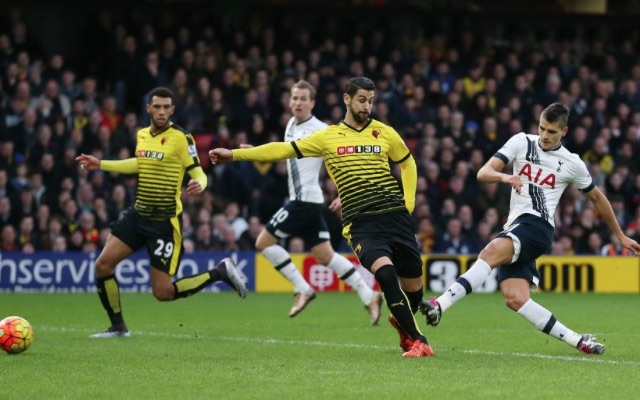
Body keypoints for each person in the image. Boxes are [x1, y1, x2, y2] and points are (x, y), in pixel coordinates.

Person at [210, 77, 433, 357]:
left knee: (413, 291)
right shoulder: (327, 137)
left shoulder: (384, 132)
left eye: (371, 101)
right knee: (386, 274)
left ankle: (403, 324)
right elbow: (283, 150)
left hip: (395, 218)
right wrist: (233, 154)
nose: (367, 106)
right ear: (347, 99)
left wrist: (408, 203)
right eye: (362, 99)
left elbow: (407, 162)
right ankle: (419, 341)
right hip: (361, 224)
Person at [419, 102, 640, 355]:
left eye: (552, 132)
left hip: (538, 226)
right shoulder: (521, 142)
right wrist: (506, 177)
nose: (545, 135)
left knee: (489, 253)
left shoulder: (572, 163)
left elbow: (597, 199)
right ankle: (579, 340)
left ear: (564, 132)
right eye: (542, 128)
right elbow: (483, 172)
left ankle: (440, 305)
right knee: (515, 298)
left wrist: (620, 235)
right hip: (516, 225)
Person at [76, 87, 246, 338]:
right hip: (138, 215)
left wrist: (202, 183)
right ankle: (118, 327)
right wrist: (101, 164)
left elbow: (197, 170)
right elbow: (139, 163)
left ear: (173, 110)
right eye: (157, 106)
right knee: (103, 265)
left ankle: (220, 272)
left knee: (162, 293)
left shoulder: (181, 137)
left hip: (164, 223)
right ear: (149, 108)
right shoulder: (142, 134)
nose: (162, 111)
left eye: (167, 107)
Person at [243, 79, 382, 324]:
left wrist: (343, 193)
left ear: (312, 103)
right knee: (325, 256)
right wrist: (254, 150)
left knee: (263, 243)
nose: (297, 102)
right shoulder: (290, 124)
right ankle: (368, 294)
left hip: (303, 202)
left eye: (303, 99)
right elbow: (285, 153)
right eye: (294, 98)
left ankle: (302, 288)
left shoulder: (321, 130)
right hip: (309, 201)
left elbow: (343, 163)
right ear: (289, 101)